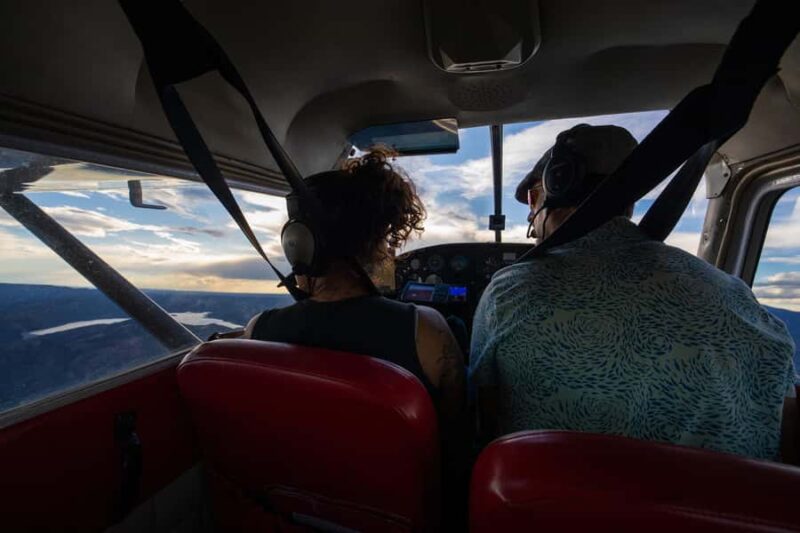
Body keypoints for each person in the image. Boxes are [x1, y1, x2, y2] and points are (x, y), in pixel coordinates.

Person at [469, 123, 798, 463]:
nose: (529, 211)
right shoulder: (736, 297)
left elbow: (480, 410)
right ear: (630, 202)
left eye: (530, 197)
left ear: (549, 188)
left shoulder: (509, 292)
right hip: (724, 511)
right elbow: (785, 418)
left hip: (547, 507)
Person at [244, 148, 470, 520]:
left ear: (298, 245)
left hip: (300, 512)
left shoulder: (258, 332)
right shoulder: (426, 331)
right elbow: (455, 437)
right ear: (378, 243)